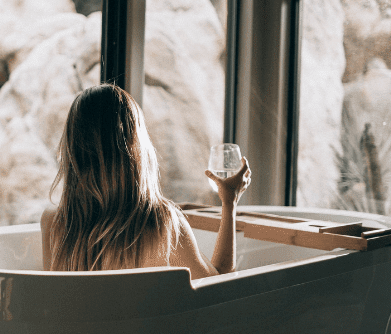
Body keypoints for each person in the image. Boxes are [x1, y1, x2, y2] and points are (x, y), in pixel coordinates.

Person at [41, 84, 251, 279]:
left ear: (72, 150)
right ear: (136, 147)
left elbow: (56, 300)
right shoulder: (163, 223)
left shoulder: (53, 223)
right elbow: (217, 288)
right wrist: (229, 202)